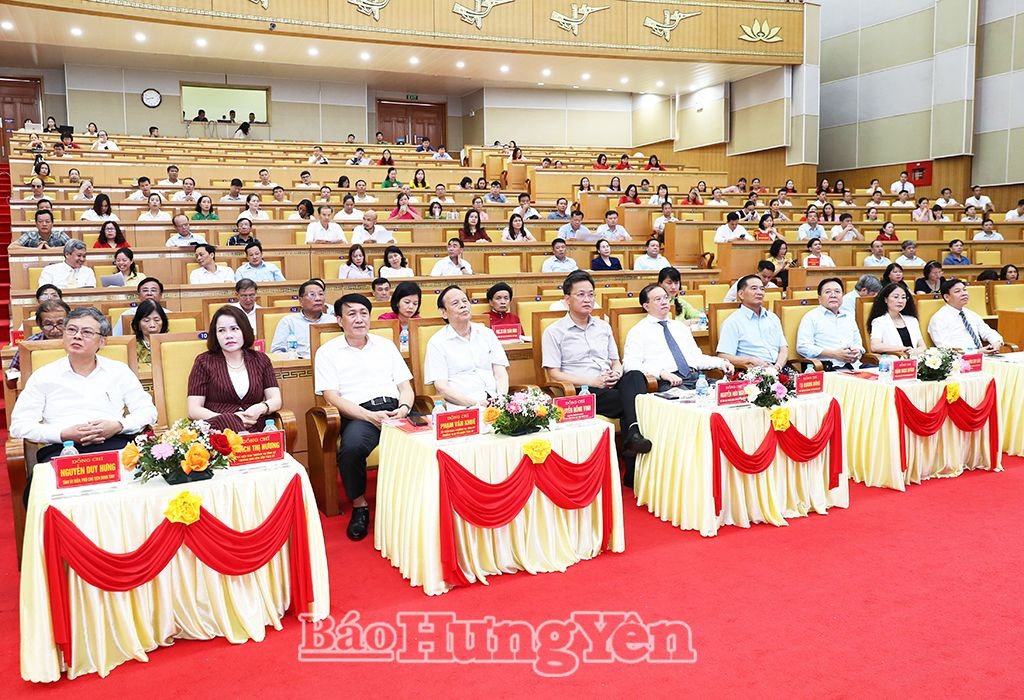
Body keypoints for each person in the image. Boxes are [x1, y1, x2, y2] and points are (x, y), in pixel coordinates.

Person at [315, 293, 415, 540]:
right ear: (339, 320)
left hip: (397, 409)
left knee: (434, 434)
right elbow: (332, 397)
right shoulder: (327, 352)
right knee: (351, 449)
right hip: (359, 414)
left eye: (364, 313)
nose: (359, 319)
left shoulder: (386, 345)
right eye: (352, 314)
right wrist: (370, 416)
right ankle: (360, 506)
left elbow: (405, 387)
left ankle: (422, 499)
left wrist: (404, 409)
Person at [10, 307, 158, 467]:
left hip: (116, 445)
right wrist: (62, 434)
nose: (77, 336)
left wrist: (118, 426)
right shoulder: (43, 376)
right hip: (62, 450)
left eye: (87, 332)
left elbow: (148, 411)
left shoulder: (119, 371)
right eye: (71, 330)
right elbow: (19, 426)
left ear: (102, 341)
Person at [542, 270, 652, 457]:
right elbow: (554, 373)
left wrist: (616, 373)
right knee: (635, 401)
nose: (587, 299)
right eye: (581, 294)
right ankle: (633, 449)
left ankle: (633, 436)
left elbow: (616, 362)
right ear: (567, 299)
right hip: (583, 390)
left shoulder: (603, 326)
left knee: (635, 376)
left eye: (591, 294)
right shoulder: (554, 332)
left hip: (610, 383)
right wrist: (593, 381)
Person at [187, 306, 282, 432]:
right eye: (221, 330)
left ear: (244, 330)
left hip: (256, 428)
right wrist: (229, 419)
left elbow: (276, 399)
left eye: (234, 329)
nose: (228, 336)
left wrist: (261, 407)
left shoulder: (261, 360)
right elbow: (193, 410)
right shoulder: (204, 362)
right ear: (215, 335)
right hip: (219, 432)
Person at [623, 284, 732, 391]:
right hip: (668, 381)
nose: (664, 302)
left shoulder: (680, 327)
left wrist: (721, 363)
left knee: (730, 391)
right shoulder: (638, 331)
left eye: (666, 298)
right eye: (658, 299)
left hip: (696, 378)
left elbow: (697, 358)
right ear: (646, 306)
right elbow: (630, 365)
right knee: (689, 400)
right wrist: (660, 373)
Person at [425, 285, 510, 408]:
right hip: (462, 406)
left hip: (495, 403)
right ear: (444, 313)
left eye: (465, 301)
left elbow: (501, 374)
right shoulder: (437, 342)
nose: (463, 305)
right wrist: (476, 404)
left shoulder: (487, 334)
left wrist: (501, 400)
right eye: (455, 303)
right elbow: (441, 387)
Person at [716, 274, 788, 371]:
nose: (759, 292)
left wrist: (777, 367)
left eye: (762, 289)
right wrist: (750, 360)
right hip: (752, 370)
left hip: (779, 368)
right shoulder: (733, 322)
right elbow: (723, 356)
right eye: (754, 288)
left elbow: (783, 348)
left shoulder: (773, 318)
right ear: (741, 294)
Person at [795, 278, 865, 370]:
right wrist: (834, 354)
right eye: (827, 292)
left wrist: (858, 351)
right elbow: (802, 347)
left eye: (837, 291)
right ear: (819, 298)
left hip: (855, 366)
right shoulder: (811, 317)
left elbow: (858, 343)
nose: (833, 295)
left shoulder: (849, 316)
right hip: (828, 367)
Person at [928, 279, 1003, 353]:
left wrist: (996, 342)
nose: (964, 293)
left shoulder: (970, 314)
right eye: (957, 291)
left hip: (983, 356)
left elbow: (987, 332)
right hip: (960, 358)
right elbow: (945, 348)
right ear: (947, 297)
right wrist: (976, 352)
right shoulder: (939, 319)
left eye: (964, 290)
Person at [270, 280, 335, 358]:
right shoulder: (289, 322)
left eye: (321, 294)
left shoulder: (333, 321)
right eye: (312, 295)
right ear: (301, 301)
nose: (318, 298)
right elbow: (277, 352)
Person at [9, 299, 70, 373]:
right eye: (48, 324)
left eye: (60, 323)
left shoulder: (78, 340)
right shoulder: (30, 344)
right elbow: (13, 371)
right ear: (40, 325)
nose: (55, 330)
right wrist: (13, 372)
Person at [867, 283, 925, 356]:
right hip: (893, 360)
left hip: (915, 359)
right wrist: (903, 349)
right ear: (885, 299)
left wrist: (916, 351)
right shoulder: (879, 321)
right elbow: (875, 346)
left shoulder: (912, 320)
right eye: (896, 297)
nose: (900, 301)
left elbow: (922, 346)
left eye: (903, 297)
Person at [129, 299, 168, 365]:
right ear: (138, 324)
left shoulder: (170, 345)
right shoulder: (131, 347)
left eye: (157, 320)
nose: (152, 325)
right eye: (146, 320)